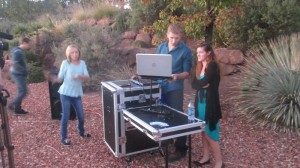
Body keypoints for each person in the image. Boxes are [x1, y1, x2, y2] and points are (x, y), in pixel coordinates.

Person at [156, 23, 193, 162]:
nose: (174, 41)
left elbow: (187, 73)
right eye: (172, 37)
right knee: (162, 115)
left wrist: (176, 76)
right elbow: (156, 65)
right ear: (167, 35)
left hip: (175, 88)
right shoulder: (161, 47)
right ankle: (167, 142)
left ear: (181, 36)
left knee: (178, 117)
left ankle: (181, 148)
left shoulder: (186, 51)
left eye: (177, 38)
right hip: (160, 87)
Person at [191, 42, 224, 168]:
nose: (198, 54)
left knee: (211, 133)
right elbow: (194, 84)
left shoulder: (213, 66)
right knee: (203, 131)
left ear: (208, 52)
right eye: (197, 52)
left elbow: (201, 83)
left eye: (201, 52)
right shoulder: (200, 65)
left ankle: (219, 162)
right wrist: (202, 85)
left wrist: (201, 84)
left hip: (210, 104)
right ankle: (205, 157)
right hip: (200, 103)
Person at [55, 44, 91, 146]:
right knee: (66, 116)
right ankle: (64, 138)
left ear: (79, 53)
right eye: (72, 52)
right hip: (65, 93)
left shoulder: (82, 63)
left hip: (76, 94)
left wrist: (79, 75)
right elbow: (60, 77)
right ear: (68, 54)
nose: (75, 54)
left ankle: (81, 132)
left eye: (76, 52)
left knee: (81, 116)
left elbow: (87, 77)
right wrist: (57, 77)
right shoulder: (65, 63)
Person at [8, 37, 32, 115]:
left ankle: (17, 110)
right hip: (18, 74)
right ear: (24, 43)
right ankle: (11, 104)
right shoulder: (17, 52)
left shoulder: (19, 51)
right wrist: (25, 71)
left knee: (21, 91)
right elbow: (15, 64)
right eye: (29, 44)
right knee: (23, 92)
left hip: (19, 74)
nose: (30, 46)